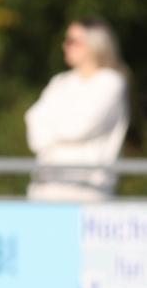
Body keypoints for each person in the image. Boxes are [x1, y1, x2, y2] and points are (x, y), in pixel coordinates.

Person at [25, 19, 130, 201]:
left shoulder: (111, 82)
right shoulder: (60, 81)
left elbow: (77, 127)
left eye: (73, 41)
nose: (65, 45)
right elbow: (33, 121)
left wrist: (50, 124)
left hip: (88, 192)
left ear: (95, 44)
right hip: (44, 188)